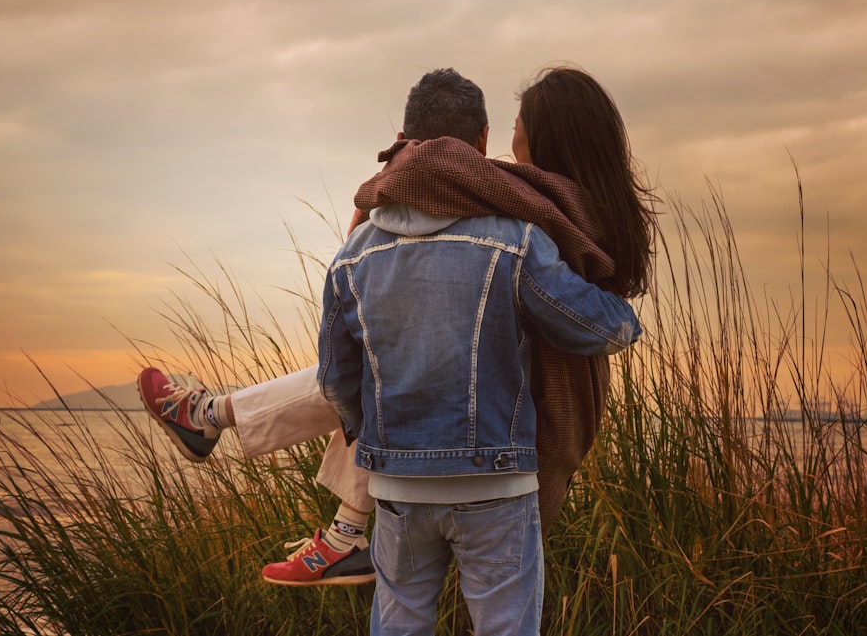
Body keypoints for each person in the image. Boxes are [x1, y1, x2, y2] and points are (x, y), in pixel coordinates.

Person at [138, 66, 655, 589]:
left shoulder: (525, 200)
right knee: (386, 352)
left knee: (379, 357)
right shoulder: (572, 202)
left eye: (519, 118)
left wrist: (403, 171)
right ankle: (331, 523)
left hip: (520, 397)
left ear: (546, 131)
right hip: (511, 378)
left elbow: (441, 184)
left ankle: (224, 428)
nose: (509, 132)